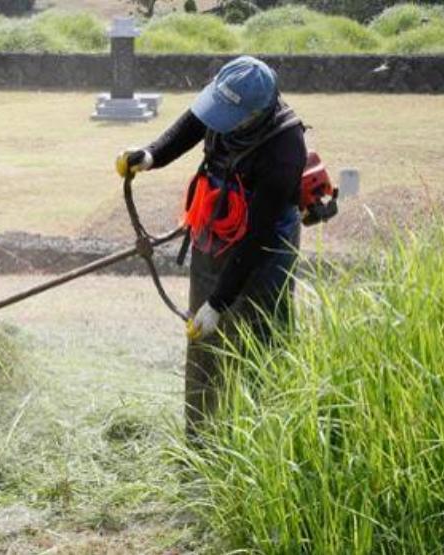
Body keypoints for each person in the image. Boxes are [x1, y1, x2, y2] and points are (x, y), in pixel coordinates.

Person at [116, 56, 308, 436]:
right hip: (213, 233)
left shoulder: (285, 149)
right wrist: (152, 154)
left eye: (226, 114)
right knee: (203, 344)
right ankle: (200, 440)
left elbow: (256, 239)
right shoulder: (229, 106)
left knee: (259, 346)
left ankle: (262, 443)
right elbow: (194, 123)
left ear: (254, 114)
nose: (217, 119)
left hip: (264, 253)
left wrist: (218, 304)